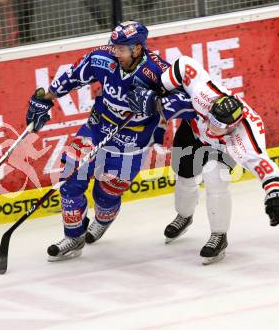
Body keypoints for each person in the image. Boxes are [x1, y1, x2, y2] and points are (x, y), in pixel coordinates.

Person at [25, 21, 195, 261]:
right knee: (70, 179)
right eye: (113, 46)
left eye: (121, 48)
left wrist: (155, 103)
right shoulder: (101, 58)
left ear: (137, 49)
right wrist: (45, 98)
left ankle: (104, 218)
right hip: (96, 129)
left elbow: (186, 102)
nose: (115, 52)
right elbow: (72, 77)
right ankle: (73, 237)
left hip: (132, 144)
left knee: (106, 194)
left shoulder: (159, 72)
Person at [126, 56, 279, 264]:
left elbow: (263, 165)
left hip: (220, 148)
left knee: (215, 182)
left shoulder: (246, 137)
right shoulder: (205, 94)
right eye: (212, 118)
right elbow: (184, 65)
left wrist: (276, 195)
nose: (213, 126)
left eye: (220, 125)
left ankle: (219, 236)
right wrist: (161, 87)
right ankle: (184, 216)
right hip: (193, 132)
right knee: (184, 176)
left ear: (233, 126)